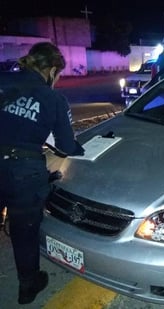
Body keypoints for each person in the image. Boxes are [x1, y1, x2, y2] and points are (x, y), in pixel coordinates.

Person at [0, 42, 85, 305]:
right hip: (23, 172)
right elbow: (66, 146)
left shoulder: (4, 80)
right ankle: (28, 286)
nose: (57, 80)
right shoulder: (53, 99)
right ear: (50, 70)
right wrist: (81, 148)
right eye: (57, 75)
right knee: (24, 231)